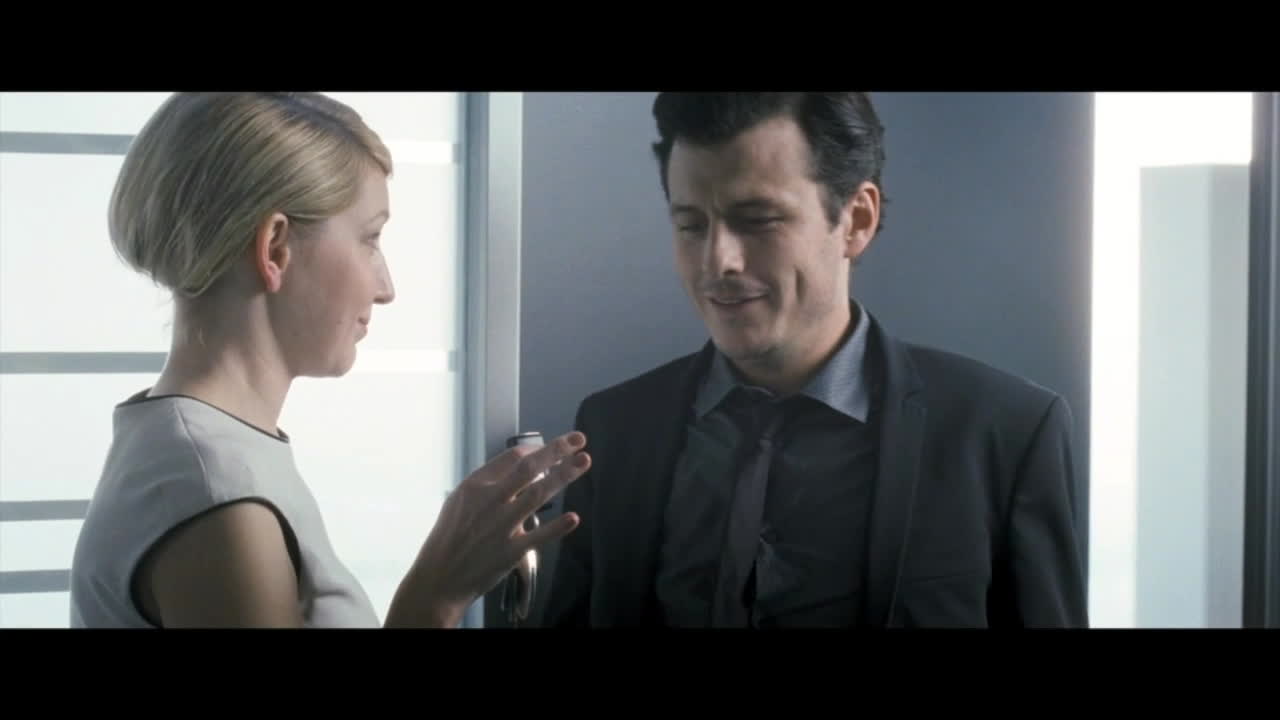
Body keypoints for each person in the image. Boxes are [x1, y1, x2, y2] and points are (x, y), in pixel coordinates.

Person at [541, 92, 1088, 628]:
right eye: (691, 225)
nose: (718, 261)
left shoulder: (1005, 434)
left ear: (856, 220)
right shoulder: (613, 430)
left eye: (758, 220)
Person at [68, 92, 591, 628]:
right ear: (275, 248)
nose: (386, 287)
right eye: (370, 238)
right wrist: (435, 595)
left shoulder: (190, 451)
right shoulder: (221, 504)